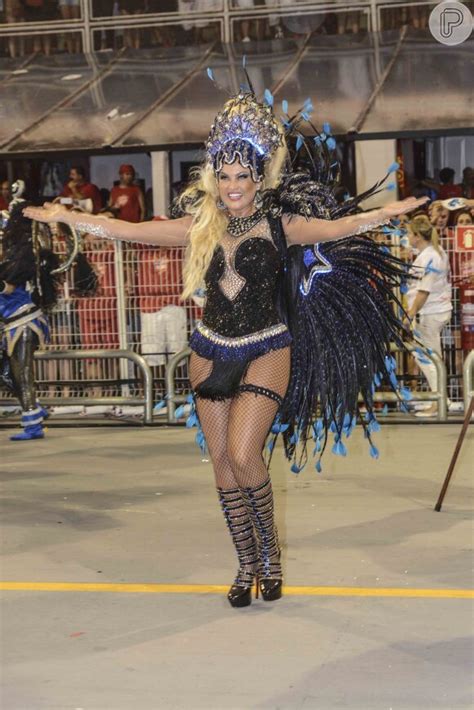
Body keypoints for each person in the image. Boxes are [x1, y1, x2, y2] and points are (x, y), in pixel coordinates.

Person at [24, 84, 428, 607]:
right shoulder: (199, 227)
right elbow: (126, 230)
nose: (232, 185)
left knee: (243, 453)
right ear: (214, 178)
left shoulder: (283, 225)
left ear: (259, 179)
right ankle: (245, 564)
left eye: (242, 176)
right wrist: (67, 219)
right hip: (210, 348)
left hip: (267, 347)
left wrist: (389, 211)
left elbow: (341, 226)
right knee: (221, 464)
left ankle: (270, 558)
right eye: (225, 175)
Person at [406, 214, 452, 417]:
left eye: (408, 233)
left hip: (430, 312)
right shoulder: (435, 251)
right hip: (436, 310)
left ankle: (439, 401)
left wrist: (410, 314)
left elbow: (423, 291)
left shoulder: (429, 256)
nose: (407, 237)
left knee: (428, 358)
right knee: (433, 357)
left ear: (417, 235)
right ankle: (442, 399)